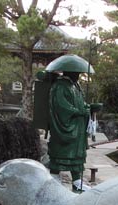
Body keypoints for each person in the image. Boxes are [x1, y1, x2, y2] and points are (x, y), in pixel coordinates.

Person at [45, 55, 99, 192]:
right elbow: (61, 106)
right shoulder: (59, 86)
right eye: (77, 73)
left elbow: (81, 103)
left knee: (78, 155)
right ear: (69, 72)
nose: (79, 76)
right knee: (60, 154)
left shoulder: (75, 86)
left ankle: (77, 181)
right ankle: (55, 178)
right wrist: (80, 112)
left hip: (78, 126)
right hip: (66, 125)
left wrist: (89, 107)